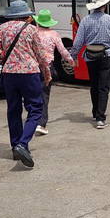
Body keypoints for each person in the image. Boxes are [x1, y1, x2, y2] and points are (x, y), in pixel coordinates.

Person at [0, 0, 52, 168]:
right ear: (26, 15)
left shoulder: (2, 29)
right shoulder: (31, 30)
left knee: (13, 109)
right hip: (29, 73)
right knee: (35, 108)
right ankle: (23, 144)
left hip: (9, 74)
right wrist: (47, 75)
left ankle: (14, 146)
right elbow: (41, 55)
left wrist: (7, 62)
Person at [70, 0, 110, 129]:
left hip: (90, 57)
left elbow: (78, 42)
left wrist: (74, 56)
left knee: (94, 85)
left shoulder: (85, 20)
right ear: (104, 5)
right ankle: (101, 118)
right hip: (106, 55)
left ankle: (95, 112)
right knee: (103, 87)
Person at [32, 8, 74, 136]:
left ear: (38, 22)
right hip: (47, 67)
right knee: (44, 95)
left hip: (32, 67)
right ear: (49, 23)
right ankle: (42, 123)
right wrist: (71, 61)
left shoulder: (33, 33)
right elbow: (62, 50)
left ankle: (33, 119)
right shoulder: (54, 34)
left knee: (33, 94)